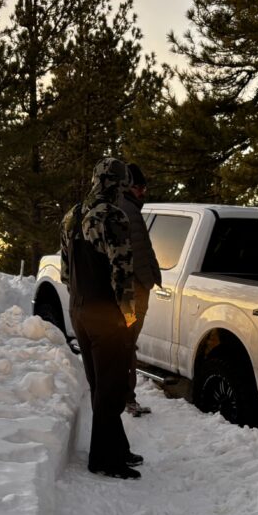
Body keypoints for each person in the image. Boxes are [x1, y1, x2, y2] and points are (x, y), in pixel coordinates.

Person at [61, 157, 143, 479]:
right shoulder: (112, 217)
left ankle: (117, 447)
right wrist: (129, 318)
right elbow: (122, 275)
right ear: (119, 185)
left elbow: (67, 270)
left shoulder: (73, 214)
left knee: (100, 384)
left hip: (79, 309)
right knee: (110, 388)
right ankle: (104, 460)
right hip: (105, 314)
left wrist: (79, 302)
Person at [115, 162, 161, 417]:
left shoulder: (131, 209)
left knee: (127, 344)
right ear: (126, 186)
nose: (142, 191)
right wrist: (147, 280)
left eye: (144, 186)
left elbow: (144, 250)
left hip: (135, 291)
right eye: (137, 186)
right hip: (131, 296)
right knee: (127, 344)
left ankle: (125, 396)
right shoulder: (127, 211)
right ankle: (126, 398)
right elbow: (130, 254)